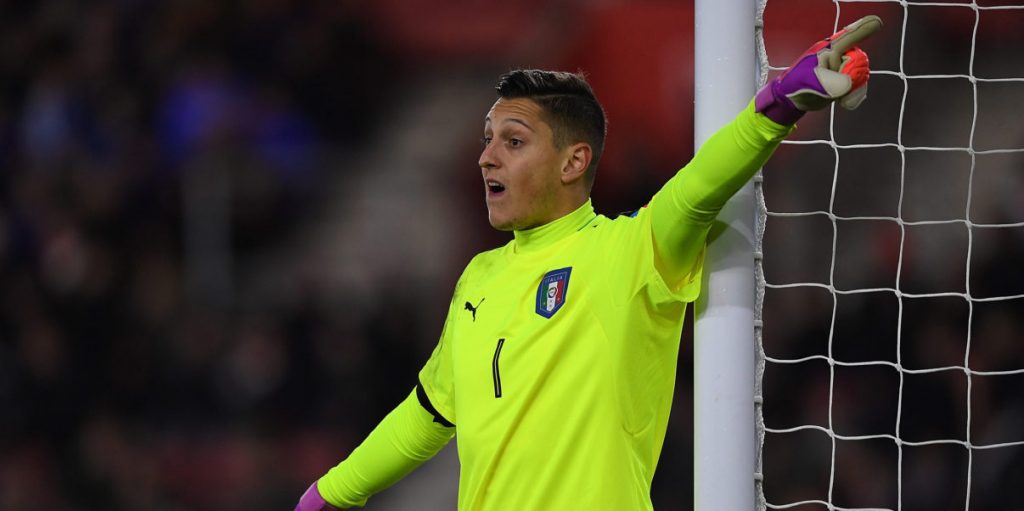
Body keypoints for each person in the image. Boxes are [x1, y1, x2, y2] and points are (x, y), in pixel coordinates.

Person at [296, 15, 881, 511]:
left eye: (513, 141)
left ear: (574, 161)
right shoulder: (479, 279)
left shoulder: (623, 253)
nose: (485, 158)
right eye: (487, 138)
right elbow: (427, 414)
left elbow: (698, 186)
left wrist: (779, 103)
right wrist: (327, 495)